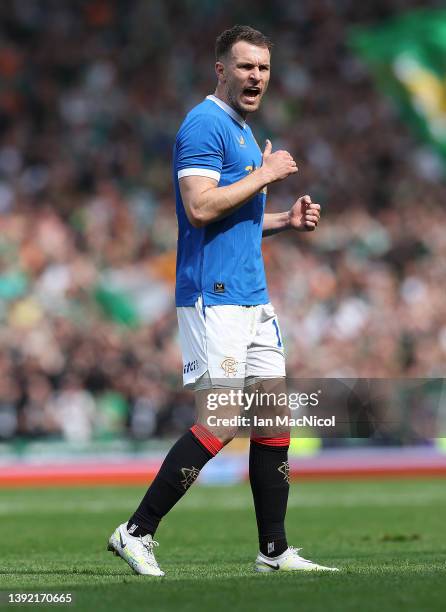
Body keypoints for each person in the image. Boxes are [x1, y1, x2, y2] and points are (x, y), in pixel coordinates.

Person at [108, 24, 338, 576]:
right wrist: (265, 173)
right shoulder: (205, 123)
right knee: (225, 417)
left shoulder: (239, 129)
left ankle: (274, 551)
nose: (255, 76)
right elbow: (199, 210)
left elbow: (232, 223)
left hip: (252, 298)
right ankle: (135, 532)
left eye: (262, 67)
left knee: (274, 420)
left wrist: (283, 219)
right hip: (215, 299)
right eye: (245, 66)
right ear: (221, 70)